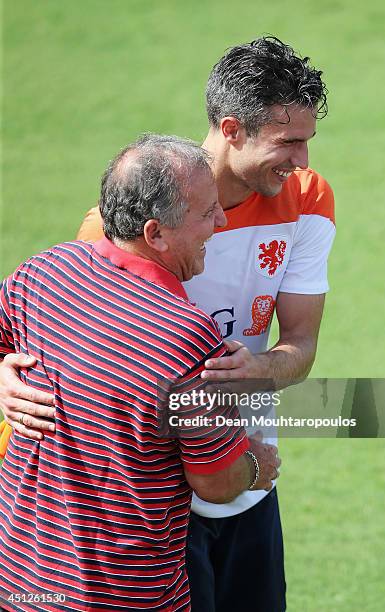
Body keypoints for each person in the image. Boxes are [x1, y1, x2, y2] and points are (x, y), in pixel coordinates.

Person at [0, 37, 335, 611]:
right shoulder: (119, 228)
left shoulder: (306, 199)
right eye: (289, 142)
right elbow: (59, 341)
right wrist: (8, 375)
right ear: (231, 129)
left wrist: (258, 370)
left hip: (246, 471)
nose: (302, 160)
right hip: (159, 498)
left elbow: (301, 345)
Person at [0, 134, 281, 611]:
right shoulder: (187, 337)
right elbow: (214, 480)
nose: (221, 221)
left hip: (23, 585)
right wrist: (256, 465)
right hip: (125, 597)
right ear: (155, 234)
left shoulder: (43, 272)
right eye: (207, 212)